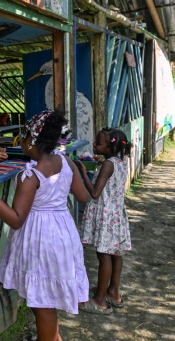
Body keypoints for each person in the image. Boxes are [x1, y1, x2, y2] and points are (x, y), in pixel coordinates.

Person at [0, 110, 91, 341]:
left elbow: (16, 219)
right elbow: (82, 197)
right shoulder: (66, 162)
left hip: (41, 240)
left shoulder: (30, 176)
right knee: (44, 301)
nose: (19, 142)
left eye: (21, 137)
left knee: (43, 305)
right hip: (63, 235)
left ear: (32, 139)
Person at [76, 128, 132, 315]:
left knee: (103, 255)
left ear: (110, 146)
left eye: (99, 143)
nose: (94, 144)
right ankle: (113, 292)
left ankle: (99, 301)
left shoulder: (108, 164)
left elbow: (95, 193)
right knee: (115, 253)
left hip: (106, 216)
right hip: (116, 214)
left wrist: (83, 172)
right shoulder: (120, 161)